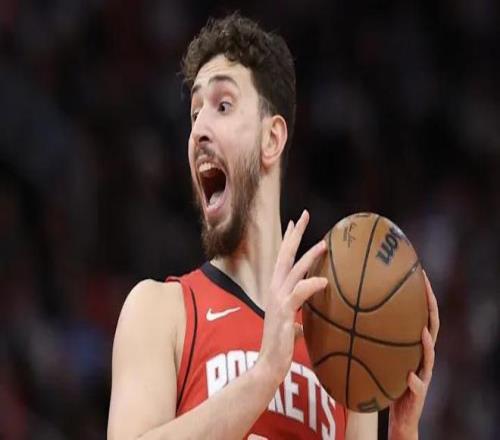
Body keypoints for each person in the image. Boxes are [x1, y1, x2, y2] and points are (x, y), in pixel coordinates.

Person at [107, 13, 439, 440]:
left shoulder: (338, 342)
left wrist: (404, 432)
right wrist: (263, 375)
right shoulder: (160, 311)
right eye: (194, 114)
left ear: (272, 139)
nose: (198, 131)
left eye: (222, 106)